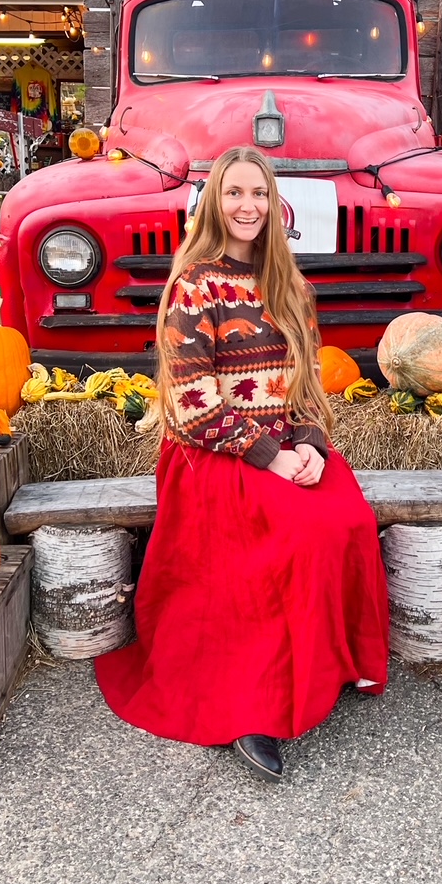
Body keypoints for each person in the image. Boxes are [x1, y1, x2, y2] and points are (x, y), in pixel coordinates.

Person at [94, 146, 389, 783]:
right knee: (290, 534)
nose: (247, 206)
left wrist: (308, 443)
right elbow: (190, 401)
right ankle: (252, 703)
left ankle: (327, 664)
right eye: (234, 194)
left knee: (348, 520)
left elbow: (308, 381)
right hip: (213, 450)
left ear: (273, 204)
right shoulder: (194, 284)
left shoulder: (291, 286)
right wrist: (271, 457)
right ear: (214, 202)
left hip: (286, 441)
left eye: (258, 194)